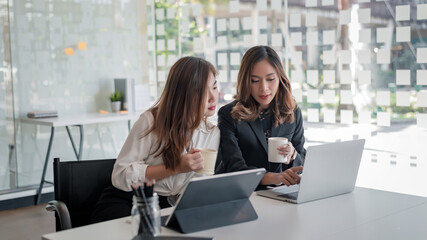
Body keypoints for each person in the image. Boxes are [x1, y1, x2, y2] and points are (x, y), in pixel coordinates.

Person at [91, 56, 219, 223]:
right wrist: (176, 167)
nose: (213, 97)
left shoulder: (212, 132)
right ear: (183, 94)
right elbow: (121, 175)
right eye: (203, 91)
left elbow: (200, 183)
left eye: (215, 87)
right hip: (130, 200)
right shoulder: (150, 121)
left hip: (167, 206)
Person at [218, 45, 306, 188]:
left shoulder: (292, 111)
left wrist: (293, 154)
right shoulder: (229, 115)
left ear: (280, 78)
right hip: (246, 194)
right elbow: (234, 168)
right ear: (246, 81)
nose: (264, 88)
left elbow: (303, 159)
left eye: (270, 79)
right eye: (255, 80)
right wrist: (274, 178)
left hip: (283, 193)